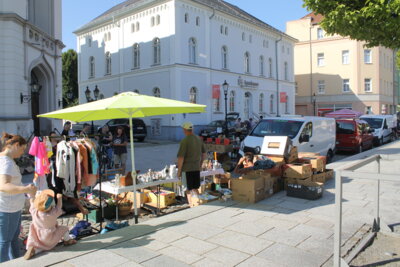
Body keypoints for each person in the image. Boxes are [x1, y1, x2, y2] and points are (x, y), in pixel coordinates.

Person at [0, 133, 37, 263]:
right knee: (5, 242)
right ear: (16, 145)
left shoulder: (7, 161)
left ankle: (16, 262)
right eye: (22, 149)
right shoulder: (6, 163)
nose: (23, 152)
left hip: (12, 207)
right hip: (7, 208)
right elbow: (4, 186)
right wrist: (26, 189)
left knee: (13, 239)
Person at [24, 190, 76, 260]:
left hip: (38, 236)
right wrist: (59, 198)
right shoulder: (52, 214)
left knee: (40, 247)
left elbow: (32, 201)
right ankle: (67, 240)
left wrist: (31, 194)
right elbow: (59, 207)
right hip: (49, 237)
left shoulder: (35, 211)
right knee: (64, 228)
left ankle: (35, 250)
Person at [177, 122, 206, 207]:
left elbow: (181, 157)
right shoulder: (198, 139)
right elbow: (204, 154)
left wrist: (179, 171)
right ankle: (199, 203)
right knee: (195, 188)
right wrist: (200, 164)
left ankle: (191, 206)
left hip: (187, 169)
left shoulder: (184, 141)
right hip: (196, 168)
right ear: (192, 129)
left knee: (188, 190)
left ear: (185, 130)